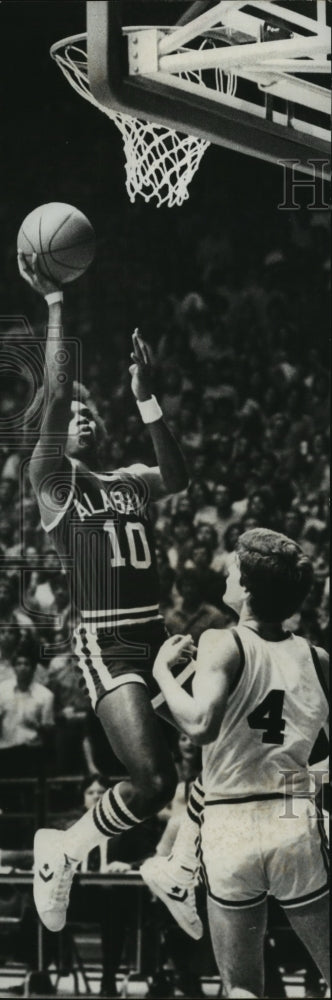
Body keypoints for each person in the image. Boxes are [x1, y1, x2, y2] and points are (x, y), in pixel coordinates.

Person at [18, 253, 190, 934]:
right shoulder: (56, 481)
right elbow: (57, 397)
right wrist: (56, 303)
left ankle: (180, 862)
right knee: (153, 783)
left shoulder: (131, 480)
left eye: (92, 412)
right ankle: (64, 848)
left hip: (156, 631)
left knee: (233, 727)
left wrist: (147, 396)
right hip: (108, 639)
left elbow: (176, 475)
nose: (82, 416)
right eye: (75, 414)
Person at [142, 528, 329, 999]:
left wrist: (162, 672)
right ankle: (179, 868)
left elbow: (202, 725)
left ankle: (180, 869)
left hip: (229, 824)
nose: (224, 573)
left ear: (245, 588)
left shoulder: (220, 643)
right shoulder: (320, 658)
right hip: (292, 819)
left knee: (242, 986)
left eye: (230, 569)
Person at [0, 633, 55, 778]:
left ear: (33, 668)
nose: (23, 668)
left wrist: (37, 726)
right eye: (19, 664)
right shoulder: (2, 691)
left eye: (27, 664)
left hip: (32, 751)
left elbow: (49, 730)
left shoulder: (45, 695)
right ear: (14, 668)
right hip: (5, 750)